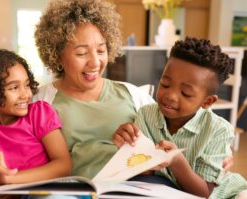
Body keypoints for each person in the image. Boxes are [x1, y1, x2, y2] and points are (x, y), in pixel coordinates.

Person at [33, 0, 232, 188]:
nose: (95, 63)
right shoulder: (39, 102)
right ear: (56, 54)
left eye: (101, 51)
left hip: (138, 189)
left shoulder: (132, 94)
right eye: (82, 53)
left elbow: (178, 132)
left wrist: (220, 154)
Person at [113, 37, 247, 199]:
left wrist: (176, 161)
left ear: (207, 101)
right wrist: (128, 150)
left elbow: (203, 194)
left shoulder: (218, 129)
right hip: (165, 190)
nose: (170, 96)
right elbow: (146, 172)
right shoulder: (146, 115)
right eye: (165, 84)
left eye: (185, 93)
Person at [0, 49, 72, 193]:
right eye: (14, 87)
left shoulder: (40, 114)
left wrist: (10, 180)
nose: (26, 94)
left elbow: (63, 166)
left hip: (45, 190)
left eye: (27, 85)